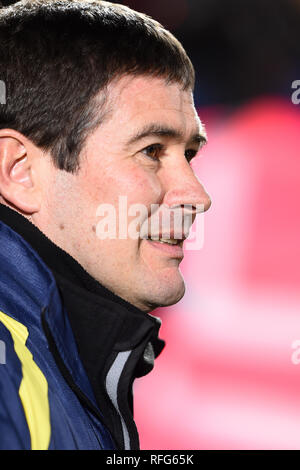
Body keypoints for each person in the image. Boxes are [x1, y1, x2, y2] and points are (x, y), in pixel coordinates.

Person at [0, 0, 211, 450]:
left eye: (189, 154)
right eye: (153, 150)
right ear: (20, 171)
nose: (197, 196)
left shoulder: (57, 351)